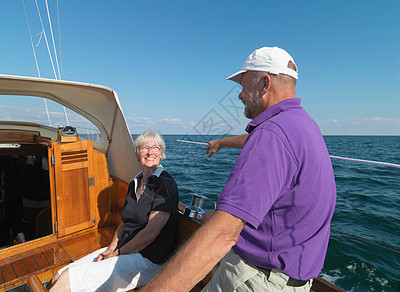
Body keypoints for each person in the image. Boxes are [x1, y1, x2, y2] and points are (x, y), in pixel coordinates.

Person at [142, 46, 336, 291]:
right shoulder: (304, 126)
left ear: (265, 83)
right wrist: (222, 142)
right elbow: (263, 142)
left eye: (243, 86)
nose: (239, 96)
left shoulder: (271, 134)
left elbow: (223, 235)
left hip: (255, 280)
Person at [50, 131, 179, 292]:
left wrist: (117, 253)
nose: (150, 152)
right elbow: (125, 224)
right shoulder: (135, 182)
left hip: (148, 260)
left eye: (155, 147)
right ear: (137, 153)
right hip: (125, 251)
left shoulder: (166, 185)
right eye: (145, 147)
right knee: (59, 274)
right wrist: (110, 249)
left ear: (161, 153)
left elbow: (151, 233)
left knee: (67, 280)